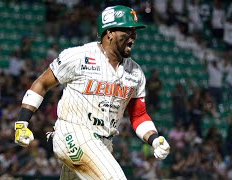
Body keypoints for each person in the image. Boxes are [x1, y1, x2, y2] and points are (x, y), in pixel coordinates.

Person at [14, 5, 170, 179]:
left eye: (134, 31)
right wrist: (22, 122)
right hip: (73, 134)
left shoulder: (135, 73)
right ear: (109, 32)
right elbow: (42, 83)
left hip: (103, 144)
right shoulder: (78, 57)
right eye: (127, 30)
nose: (133, 36)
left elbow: (138, 115)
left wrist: (154, 139)